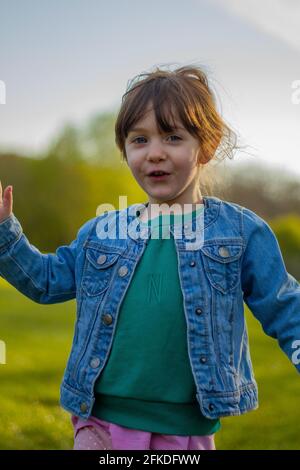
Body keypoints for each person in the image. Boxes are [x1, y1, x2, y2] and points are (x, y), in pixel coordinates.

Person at [0, 64, 299, 451]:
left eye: (173, 137)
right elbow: (46, 281)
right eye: (139, 140)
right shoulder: (102, 232)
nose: (154, 153)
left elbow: (285, 308)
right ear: (125, 150)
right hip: (99, 423)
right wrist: (5, 230)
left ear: (206, 145)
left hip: (183, 430)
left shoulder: (241, 232)